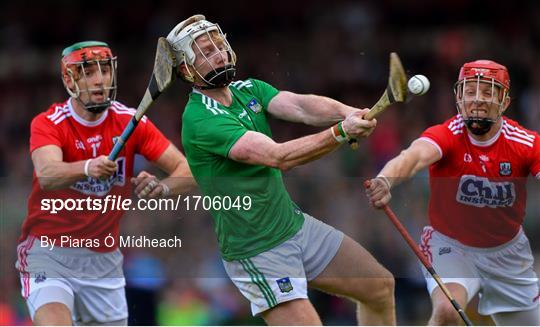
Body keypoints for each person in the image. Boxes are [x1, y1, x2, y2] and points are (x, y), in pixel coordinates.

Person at [166, 15, 396, 325]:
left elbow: (301, 106)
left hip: (294, 226)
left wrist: (347, 112)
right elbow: (278, 157)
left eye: (220, 45)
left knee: (380, 287)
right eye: (207, 51)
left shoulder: (248, 89)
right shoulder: (200, 120)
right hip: (258, 252)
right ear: (186, 70)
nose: (219, 54)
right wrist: (341, 131)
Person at [16, 41, 195, 325]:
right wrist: (88, 167)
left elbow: (186, 170)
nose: (99, 80)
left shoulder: (130, 122)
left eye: (105, 71)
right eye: (87, 72)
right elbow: (48, 173)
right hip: (49, 253)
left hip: (103, 260)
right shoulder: (49, 122)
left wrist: (163, 187)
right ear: (69, 79)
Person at [366, 59, 540, 325]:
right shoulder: (446, 134)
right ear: (459, 97)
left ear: (504, 102)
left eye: (487, 92)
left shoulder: (526, 143)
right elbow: (413, 157)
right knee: (448, 311)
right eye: (470, 91)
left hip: (507, 255)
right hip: (452, 247)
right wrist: (386, 180)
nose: (478, 100)